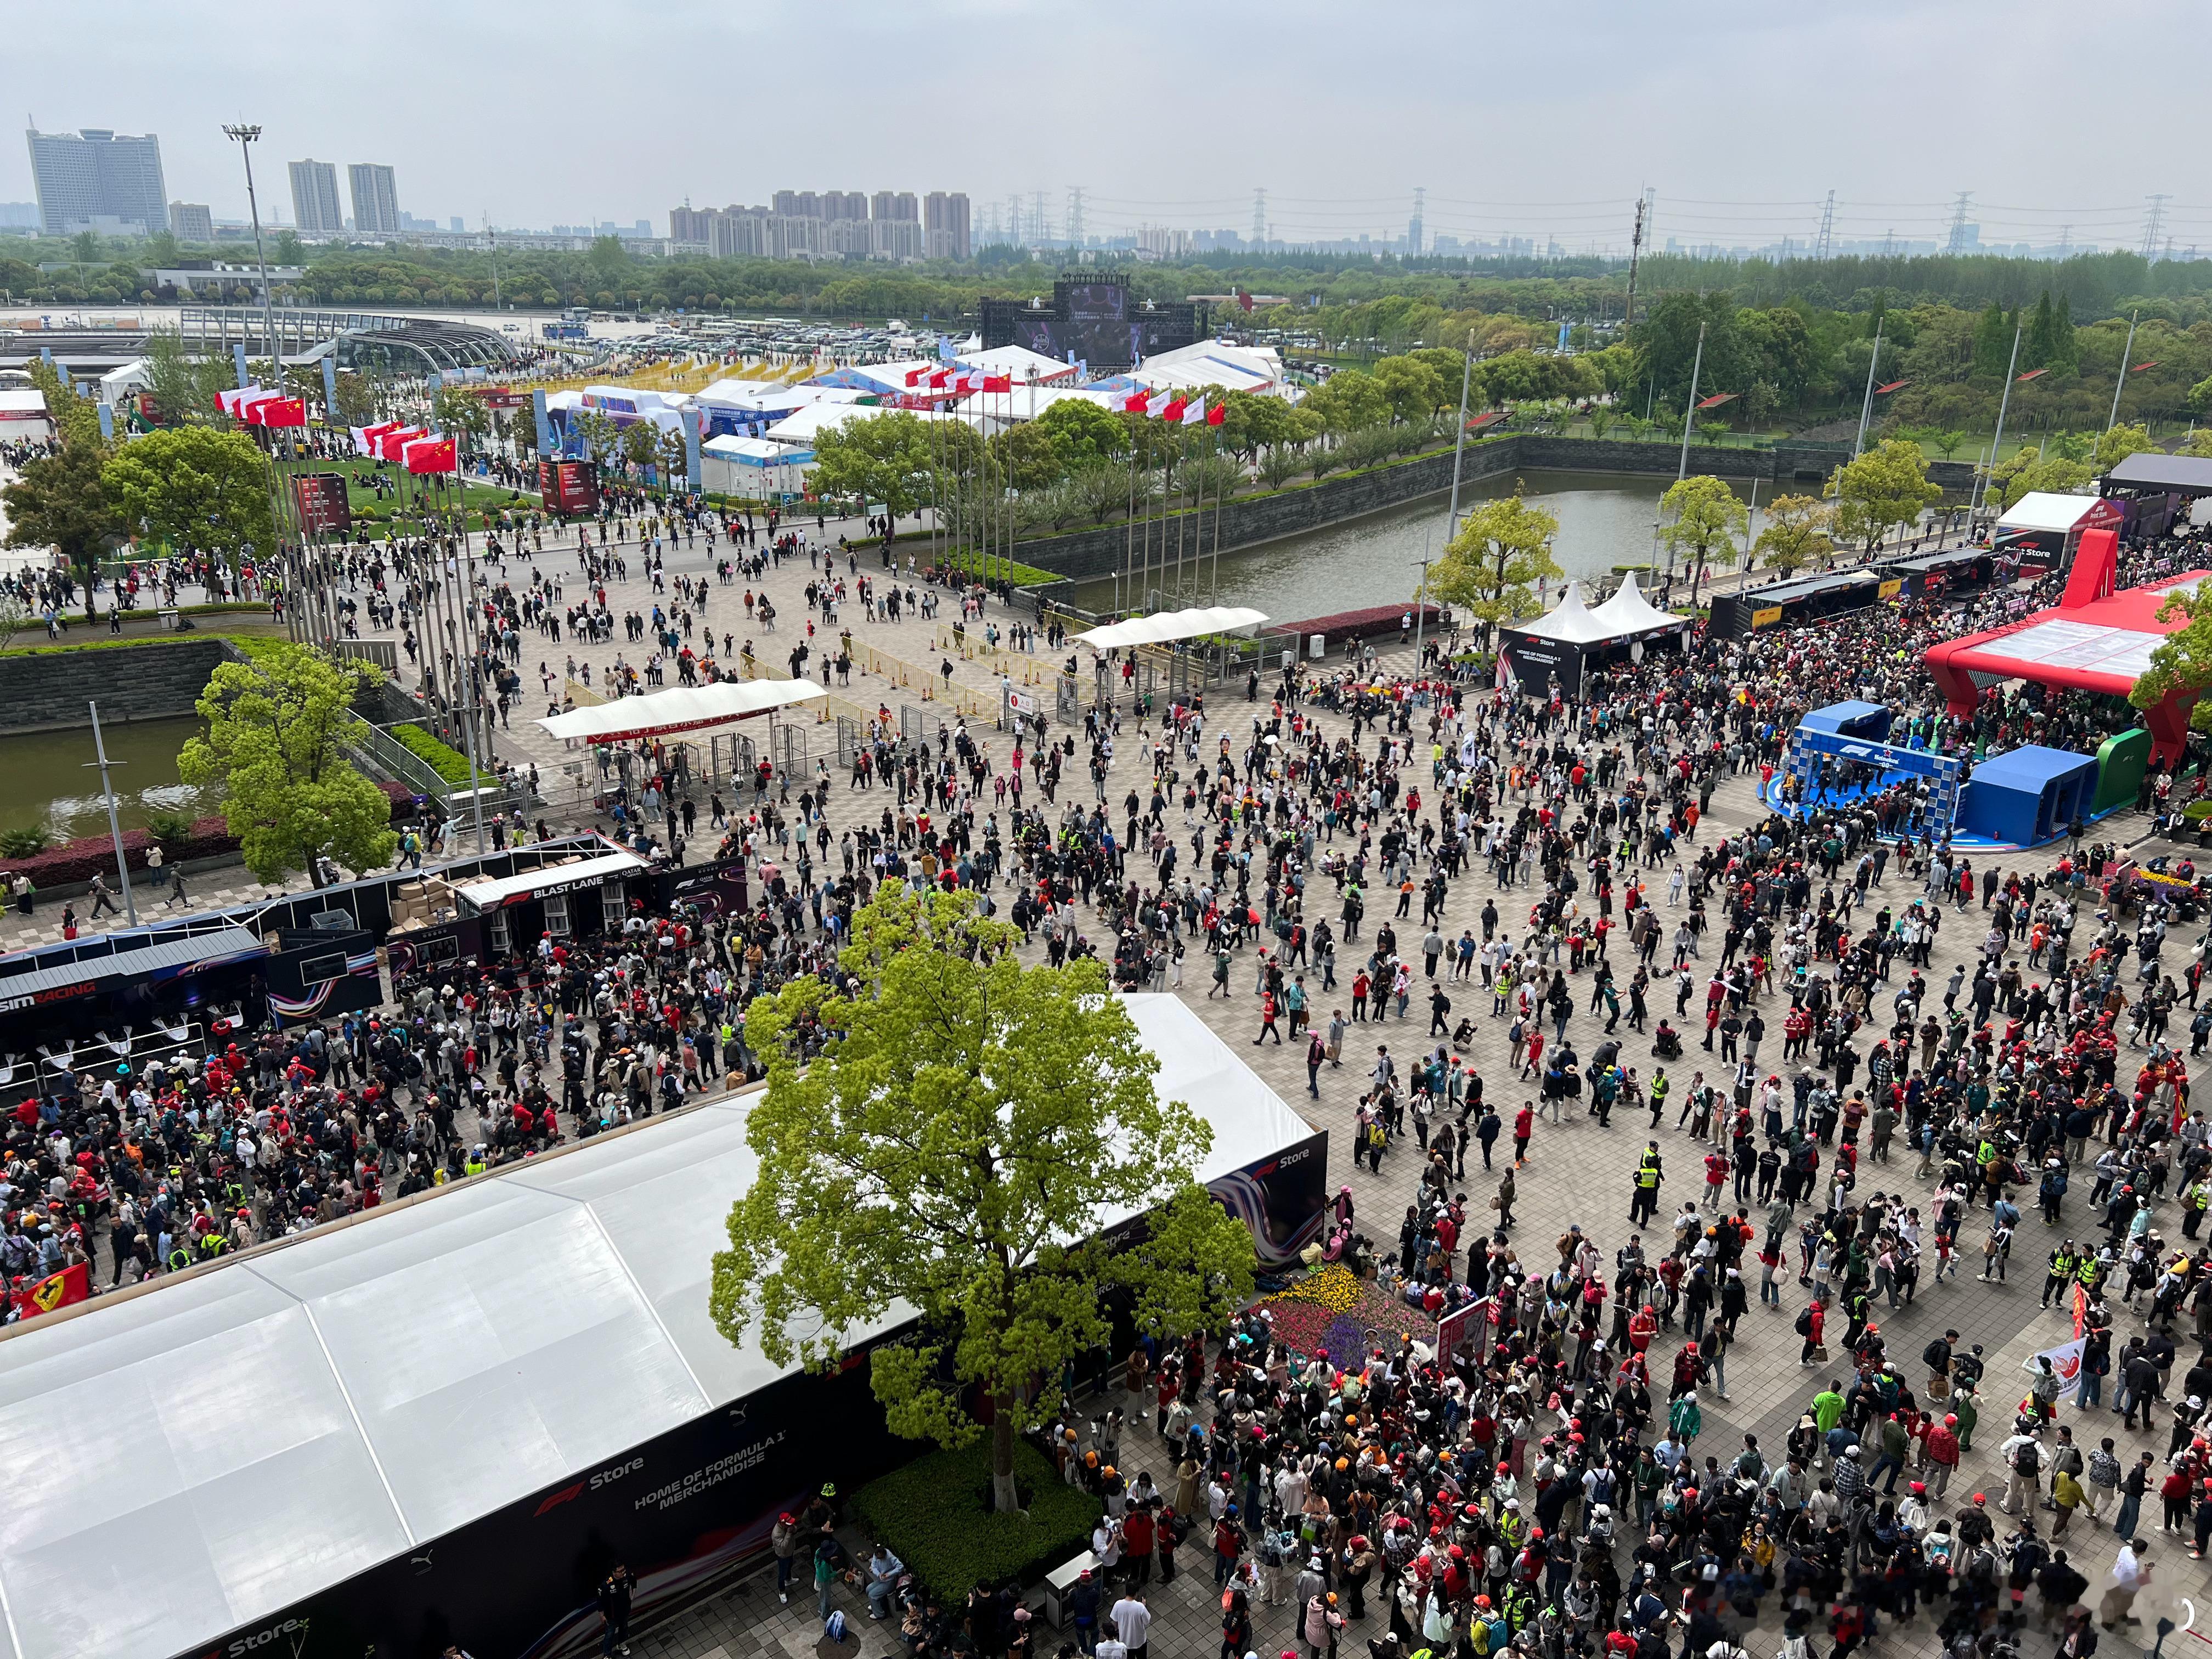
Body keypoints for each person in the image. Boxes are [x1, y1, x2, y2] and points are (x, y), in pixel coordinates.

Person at [596, 1562, 636, 1658]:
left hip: (625, 1611)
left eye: (624, 1570)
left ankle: (621, 1645)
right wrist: (602, 1615)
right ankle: (607, 1655)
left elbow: (634, 1582)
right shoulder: (606, 1585)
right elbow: (599, 1600)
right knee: (610, 1634)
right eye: (620, 1571)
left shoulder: (628, 1576)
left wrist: (632, 1596)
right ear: (614, 1572)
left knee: (624, 1628)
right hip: (611, 1615)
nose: (623, 1572)